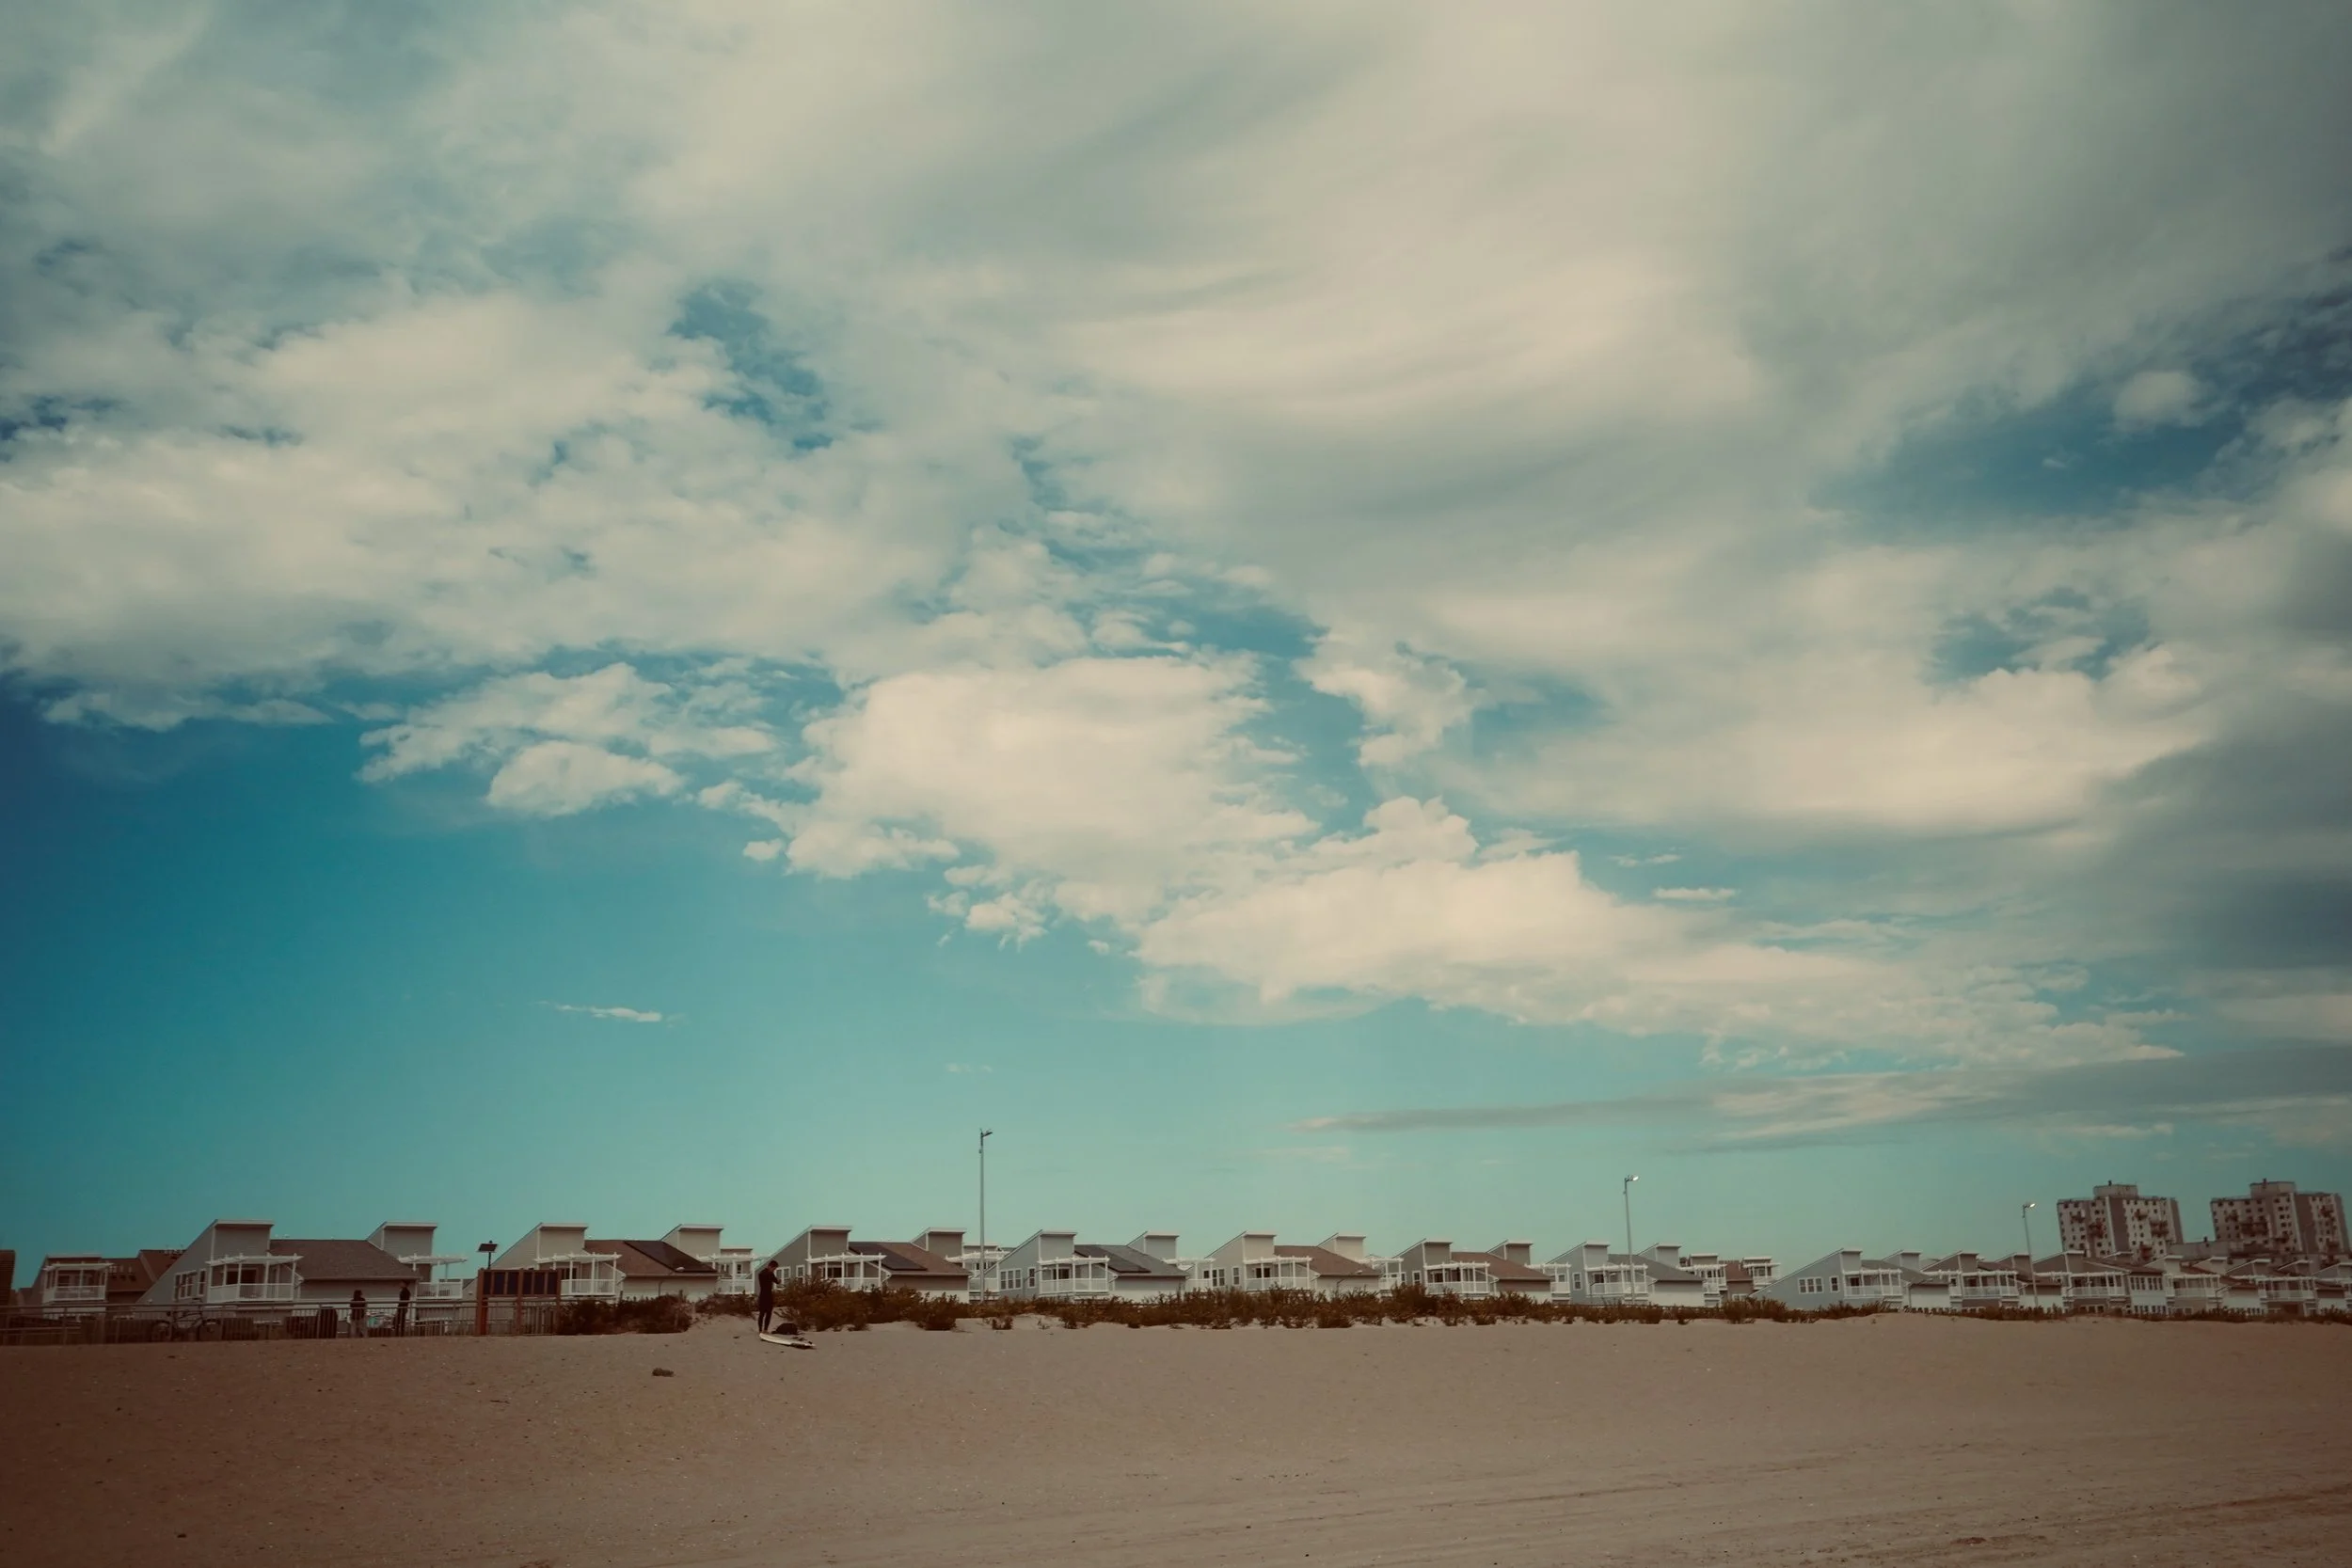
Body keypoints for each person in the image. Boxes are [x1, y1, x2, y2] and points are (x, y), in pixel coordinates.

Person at [755, 1258, 780, 1336]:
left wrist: (778, 1281)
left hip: (769, 1295)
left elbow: (776, 1281)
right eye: (774, 1269)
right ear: (770, 1266)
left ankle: (765, 1329)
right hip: (763, 1295)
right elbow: (765, 1276)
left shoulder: (770, 1274)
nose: (774, 1270)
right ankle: (760, 1330)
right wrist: (771, 1274)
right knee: (762, 1314)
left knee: (769, 1313)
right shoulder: (762, 1273)